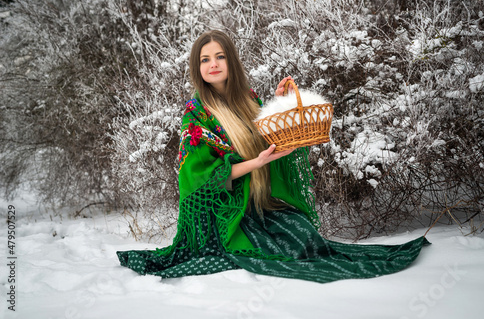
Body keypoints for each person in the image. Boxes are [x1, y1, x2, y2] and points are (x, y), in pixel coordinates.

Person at [116, 30, 429, 283]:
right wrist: (256, 164)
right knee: (282, 252)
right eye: (205, 59)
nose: (213, 64)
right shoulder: (196, 115)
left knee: (305, 237)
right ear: (197, 68)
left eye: (220, 56)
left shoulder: (248, 99)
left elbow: (265, 135)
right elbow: (200, 178)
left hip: (258, 203)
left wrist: (277, 103)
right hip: (226, 215)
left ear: (231, 61)